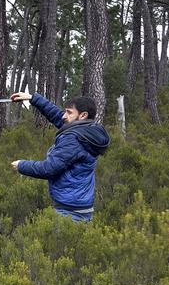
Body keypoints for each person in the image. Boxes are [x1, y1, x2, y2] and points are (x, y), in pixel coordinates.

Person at [9, 92, 110, 222]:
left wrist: (21, 165)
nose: (64, 116)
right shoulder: (87, 132)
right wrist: (33, 99)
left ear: (83, 115)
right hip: (81, 205)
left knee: (61, 242)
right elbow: (57, 116)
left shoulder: (73, 138)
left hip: (69, 211)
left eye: (69, 112)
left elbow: (49, 168)